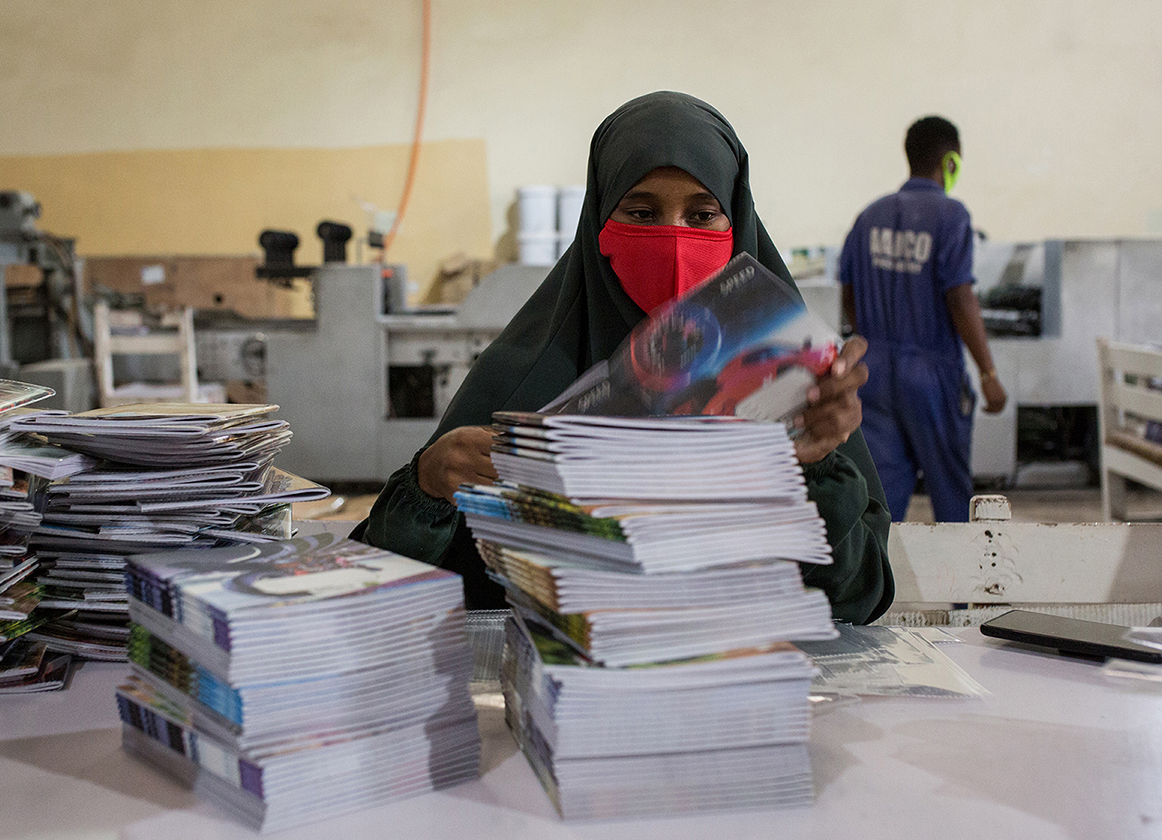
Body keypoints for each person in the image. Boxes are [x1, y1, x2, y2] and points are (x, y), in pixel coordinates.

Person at [354, 91, 894, 624]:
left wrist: (815, 466)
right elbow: (384, 591)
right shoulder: (522, 378)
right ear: (597, 222)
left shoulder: (791, 385)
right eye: (641, 211)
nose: (674, 239)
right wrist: (429, 487)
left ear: (738, 224)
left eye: (703, 214)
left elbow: (860, 598)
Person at [838, 116, 1005, 524]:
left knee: (882, 497)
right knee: (949, 491)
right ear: (950, 162)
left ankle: (882, 582)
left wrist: (873, 341)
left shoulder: (869, 216)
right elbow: (960, 296)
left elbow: (848, 290)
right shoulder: (951, 216)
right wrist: (988, 373)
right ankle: (964, 585)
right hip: (933, 375)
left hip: (874, 374)